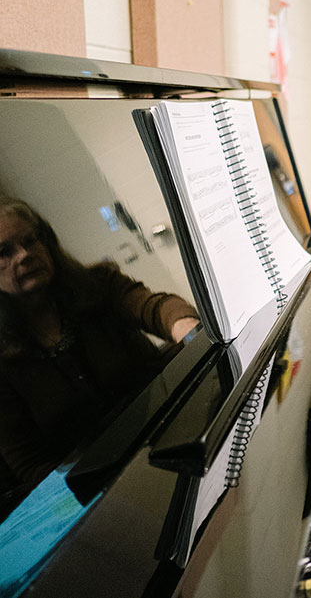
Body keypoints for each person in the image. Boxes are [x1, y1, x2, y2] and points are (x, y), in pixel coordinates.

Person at [0, 198, 200, 493]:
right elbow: (31, 467)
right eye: (5, 251)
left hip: (172, 434)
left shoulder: (98, 282)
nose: (25, 255)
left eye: (31, 240)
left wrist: (185, 327)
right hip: (100, 489)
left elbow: (155, 307)